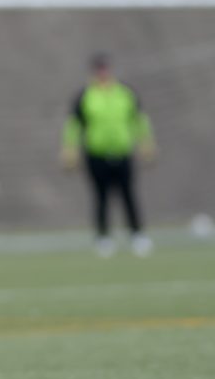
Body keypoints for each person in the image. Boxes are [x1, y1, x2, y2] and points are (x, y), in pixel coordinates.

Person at [61, 53, 156, 257]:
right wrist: (70, 150)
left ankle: (137, 235)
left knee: (128, 195)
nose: (102, 73)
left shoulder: (125, 93)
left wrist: (146, 143)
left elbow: (139, 119)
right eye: (99, 70)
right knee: (101, 196)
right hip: (97, 153)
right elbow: (74, 125)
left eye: (105, 69)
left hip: (122, 152)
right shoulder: (86, 96)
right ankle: (103, 237)